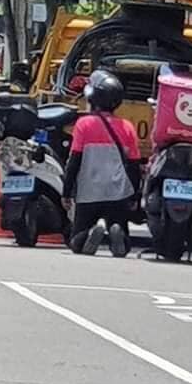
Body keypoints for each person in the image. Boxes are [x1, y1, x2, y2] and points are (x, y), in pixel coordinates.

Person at [62, 70, 141, 257]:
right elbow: (134, 166)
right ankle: (117, 231)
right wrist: (134, 196)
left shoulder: (84, 124)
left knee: (76, 242)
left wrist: (67, 192)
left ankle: (87, 233)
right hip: (117, 193)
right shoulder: (127, 127)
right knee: (124, 242)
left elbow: (74, 161)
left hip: (89, 192)